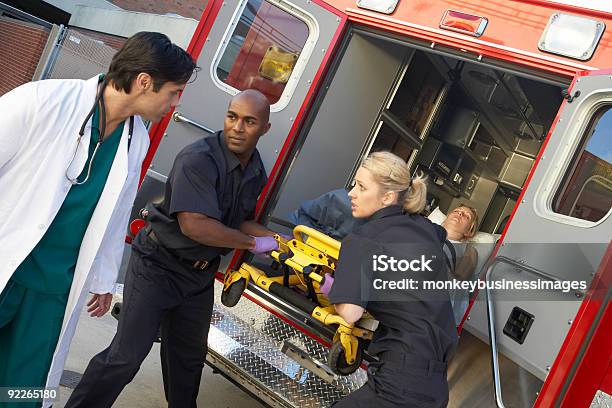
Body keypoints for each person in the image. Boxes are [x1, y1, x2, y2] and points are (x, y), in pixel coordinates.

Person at [0, 32, 196, 407]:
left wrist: (105, 278)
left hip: (53, 289)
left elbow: (115, 213)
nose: (174, 103)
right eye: (173, 92)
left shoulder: (134, 139)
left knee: (22, 392)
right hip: (7, 263)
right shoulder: (44, 100)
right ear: (143, 82)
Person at [65, 89, 280, 408]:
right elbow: (195, 224)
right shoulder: (199, 159)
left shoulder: (255, 169)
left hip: (199, 278)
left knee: (188, 362)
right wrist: (253, 243)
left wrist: (277, 243)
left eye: (249, 121)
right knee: (126, 357)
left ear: (265, 128)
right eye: (232, 117)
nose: (237, 127)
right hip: (158, 266)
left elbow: (240, 220)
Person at [323, 151, 458, 408]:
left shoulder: (363, 240)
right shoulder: (427, 230)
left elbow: (350, 313)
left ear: (387, 196)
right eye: (355, 184)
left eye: (361, 187)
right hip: (435, 383)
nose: (351, 193)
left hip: (398, 384)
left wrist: (334, 287)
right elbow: (438, 236)